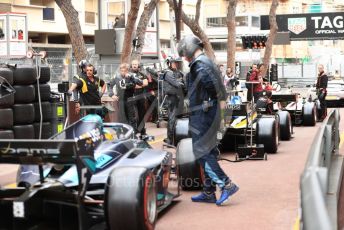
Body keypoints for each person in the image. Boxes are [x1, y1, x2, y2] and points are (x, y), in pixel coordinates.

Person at [177, 35, 239, 206]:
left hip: (204, 113)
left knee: (202, 151)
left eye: (184, 52)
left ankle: (226, 184)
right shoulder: (205, 61)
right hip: (209, 112)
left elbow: (212, 87)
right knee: (208, 151)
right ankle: (208, 191)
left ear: (189, 47)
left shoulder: (200, 64)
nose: (184, 56)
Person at [109, 63, 143, 133]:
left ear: (127, 71)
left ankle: (133, 134)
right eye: (121, 70)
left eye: (125, 71)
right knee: (122, 118)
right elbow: (109, 85)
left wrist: (131, 77)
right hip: (120, 100)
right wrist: (112, 95)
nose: (123, 72)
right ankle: (123, 134)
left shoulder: (132, 76)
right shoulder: (117, 77)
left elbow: (141, 83)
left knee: (132, 118)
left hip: (130, 99)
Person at [162, 57, 185, 145]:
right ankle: (170, 139)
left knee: (179, 118)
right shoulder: (168, 73)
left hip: (180, 98)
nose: (176, 64)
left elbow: (183, 84)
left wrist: (181, 83)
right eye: (174, 63)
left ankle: (177, 138)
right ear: (169, 63)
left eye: (177, 63)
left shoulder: (179, 73)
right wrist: (180, 83)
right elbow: (177, 84)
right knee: (172, 119)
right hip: (172, 98)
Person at [130, 59, 148, 137]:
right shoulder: (129, 74)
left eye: (136, 64)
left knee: (142, 114)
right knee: (133, 115)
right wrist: (140, 84)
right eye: (133, 64)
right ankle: (134, 131)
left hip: (141, 97)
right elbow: (130, 85)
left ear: (138, 65)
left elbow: (146, 83)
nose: (134, 65)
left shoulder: (142, 74)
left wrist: (136, 85)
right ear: (131, 65)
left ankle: (142, 131)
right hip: (132, 97)